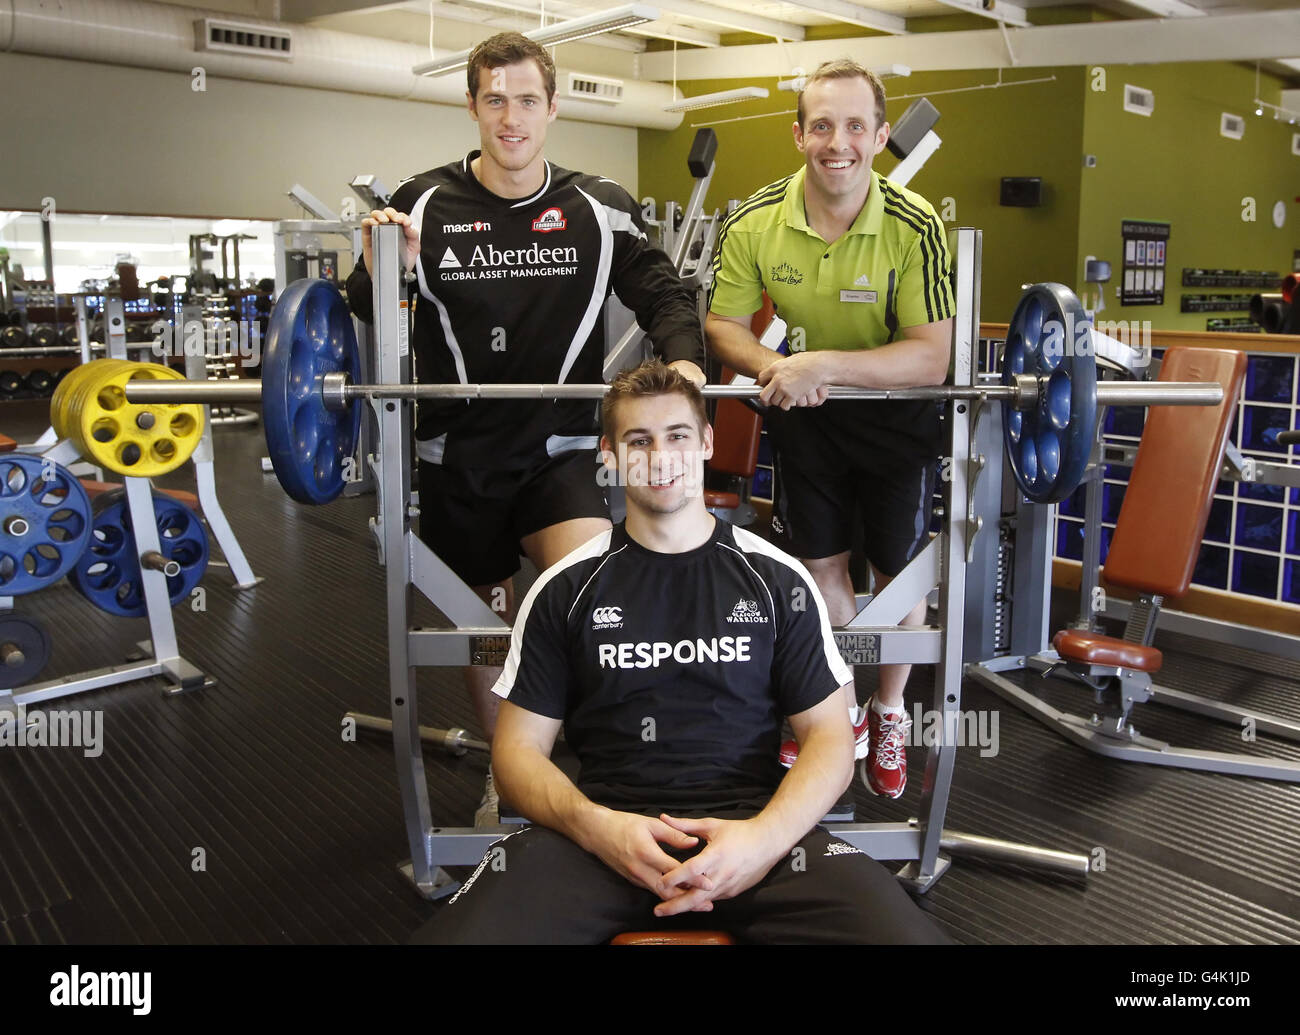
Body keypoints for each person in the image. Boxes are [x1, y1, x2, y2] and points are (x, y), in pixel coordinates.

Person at [410, 361, 950, 944]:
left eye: (678, 436)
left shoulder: (777, 580)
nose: (659, 457)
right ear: (609, 454)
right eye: (638, 441)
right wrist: (598, 829)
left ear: (707, 443)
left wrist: (764, 841)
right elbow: (516, 753)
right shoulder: (565, 587)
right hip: (602, 838)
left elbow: (829, 739)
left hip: (756, 839)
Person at [344, 32, 706, 823]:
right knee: (480, 625)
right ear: (472, 105)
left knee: (578, 591)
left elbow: (665, 291)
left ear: (552, 107)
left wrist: (683, 365)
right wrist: (384, 261)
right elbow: (352, 306)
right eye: (495, 99)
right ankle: (506, 771)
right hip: (454, 450)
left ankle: (589, 760)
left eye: (527, 100)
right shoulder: (424, 201)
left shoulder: (600, 206)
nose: (512, 117)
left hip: (561, 446)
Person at [704, 59, 955, 800]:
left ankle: (888, 710)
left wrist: (821, 364)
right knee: (820, 567)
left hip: (897, 416)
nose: (835, 142)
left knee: (898, 570)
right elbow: (721, 323)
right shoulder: (754, 219)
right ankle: (837, 709)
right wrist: (774, 368)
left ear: (879, 136)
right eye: (821, 125)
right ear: (799, 134)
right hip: (805, 416)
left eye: (853, 126)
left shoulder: (917, 227)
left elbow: (932, 355)